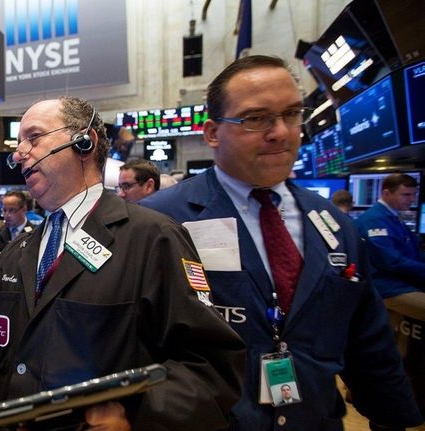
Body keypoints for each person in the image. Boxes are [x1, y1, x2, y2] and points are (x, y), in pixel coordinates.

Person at [0, 96, 247, 430]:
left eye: (34, 137)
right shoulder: (22, 248)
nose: (18, 153)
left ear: (84, 141)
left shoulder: (151, 237)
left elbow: (211, 366)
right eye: (18, 142)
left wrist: (135, 415)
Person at [140, 55, 423, 429]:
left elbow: (367, 341)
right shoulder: (159, 220)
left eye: (291, 114)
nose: (280, 132)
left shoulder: (335, 225)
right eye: (255, 118)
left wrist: (396, 419)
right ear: (211, 132)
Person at [354, 173, 425, 321]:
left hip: (402, 283)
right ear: (386, 193)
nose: (411, 199)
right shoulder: (374, 221)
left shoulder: (392, 217)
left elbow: (413, 252)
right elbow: (391, 261)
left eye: (414, 195)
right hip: (388, 288)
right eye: (406, 195)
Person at [0, 189, 36, 262]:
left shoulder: (35, 234)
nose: (7, 215)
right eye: (4, 210)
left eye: (12, 210)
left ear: (24, 208)